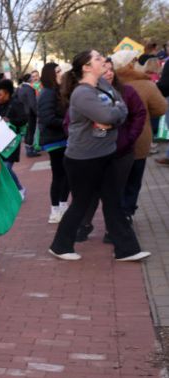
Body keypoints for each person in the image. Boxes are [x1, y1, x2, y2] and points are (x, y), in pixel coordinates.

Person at [48, 50, 150, 262]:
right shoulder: (82, 93)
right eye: (97, 59)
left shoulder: (102, 85)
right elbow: (108, 114)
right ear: (86, 67)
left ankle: (127, 250)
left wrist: (114, 115)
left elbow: (121, 108)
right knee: (82, 203)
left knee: (113, 201)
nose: (103, 61)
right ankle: (60, 246)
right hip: (83, 160)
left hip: (106, 154)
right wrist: (113, 114)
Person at [75, 55, 145, 243]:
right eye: (104, 68)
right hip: (95, 153)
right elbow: (71, 122)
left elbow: (139, 115)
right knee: (90, 193)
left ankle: (114, 232)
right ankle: (83, 226)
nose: (108, 72)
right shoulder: (87, 94)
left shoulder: (127, 92)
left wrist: (128, 138)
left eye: (111, 68)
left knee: (115, 193)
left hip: (121, 152)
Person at [112, 51, 167, 215]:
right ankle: (127, 212)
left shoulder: (108, 83)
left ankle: (116, 215)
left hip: (112, 140)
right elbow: (161, 108)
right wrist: (147, 113)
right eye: (136, 60)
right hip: (140, 138)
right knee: (134, 180)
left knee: (116, 181)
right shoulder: (145, 84)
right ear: (130, 63)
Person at [37, 62, 70, 223]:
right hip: (54, 141)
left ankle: (63, 206)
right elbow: (47, 118)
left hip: (63, 139)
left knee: (67, 175)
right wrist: (67, 122)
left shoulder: (58, 92)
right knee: (59, 175)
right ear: (50, 74)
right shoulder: (47, 93)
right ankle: (55, 210)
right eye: (57, 71)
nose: (60, 74)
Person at [0, 79, 28, 196]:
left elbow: (24, 119)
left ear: (7, 94)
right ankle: (13, 190)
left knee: (7, 168)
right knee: (2, 169)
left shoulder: (16, 104)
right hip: (0, 142)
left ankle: (19, 189)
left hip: (12, 142)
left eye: (0, 94)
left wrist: (10, 120)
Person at [16, 73, 40, 157]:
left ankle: (28, 149)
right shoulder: (30, 89)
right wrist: (38, 113)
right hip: (30, 114)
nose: (33, 79)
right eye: (32, 77)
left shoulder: (20, 89)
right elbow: (32, 103)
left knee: (27, 132)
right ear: (29, 79)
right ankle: (30, 150)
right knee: (31, 131)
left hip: (23, 113)